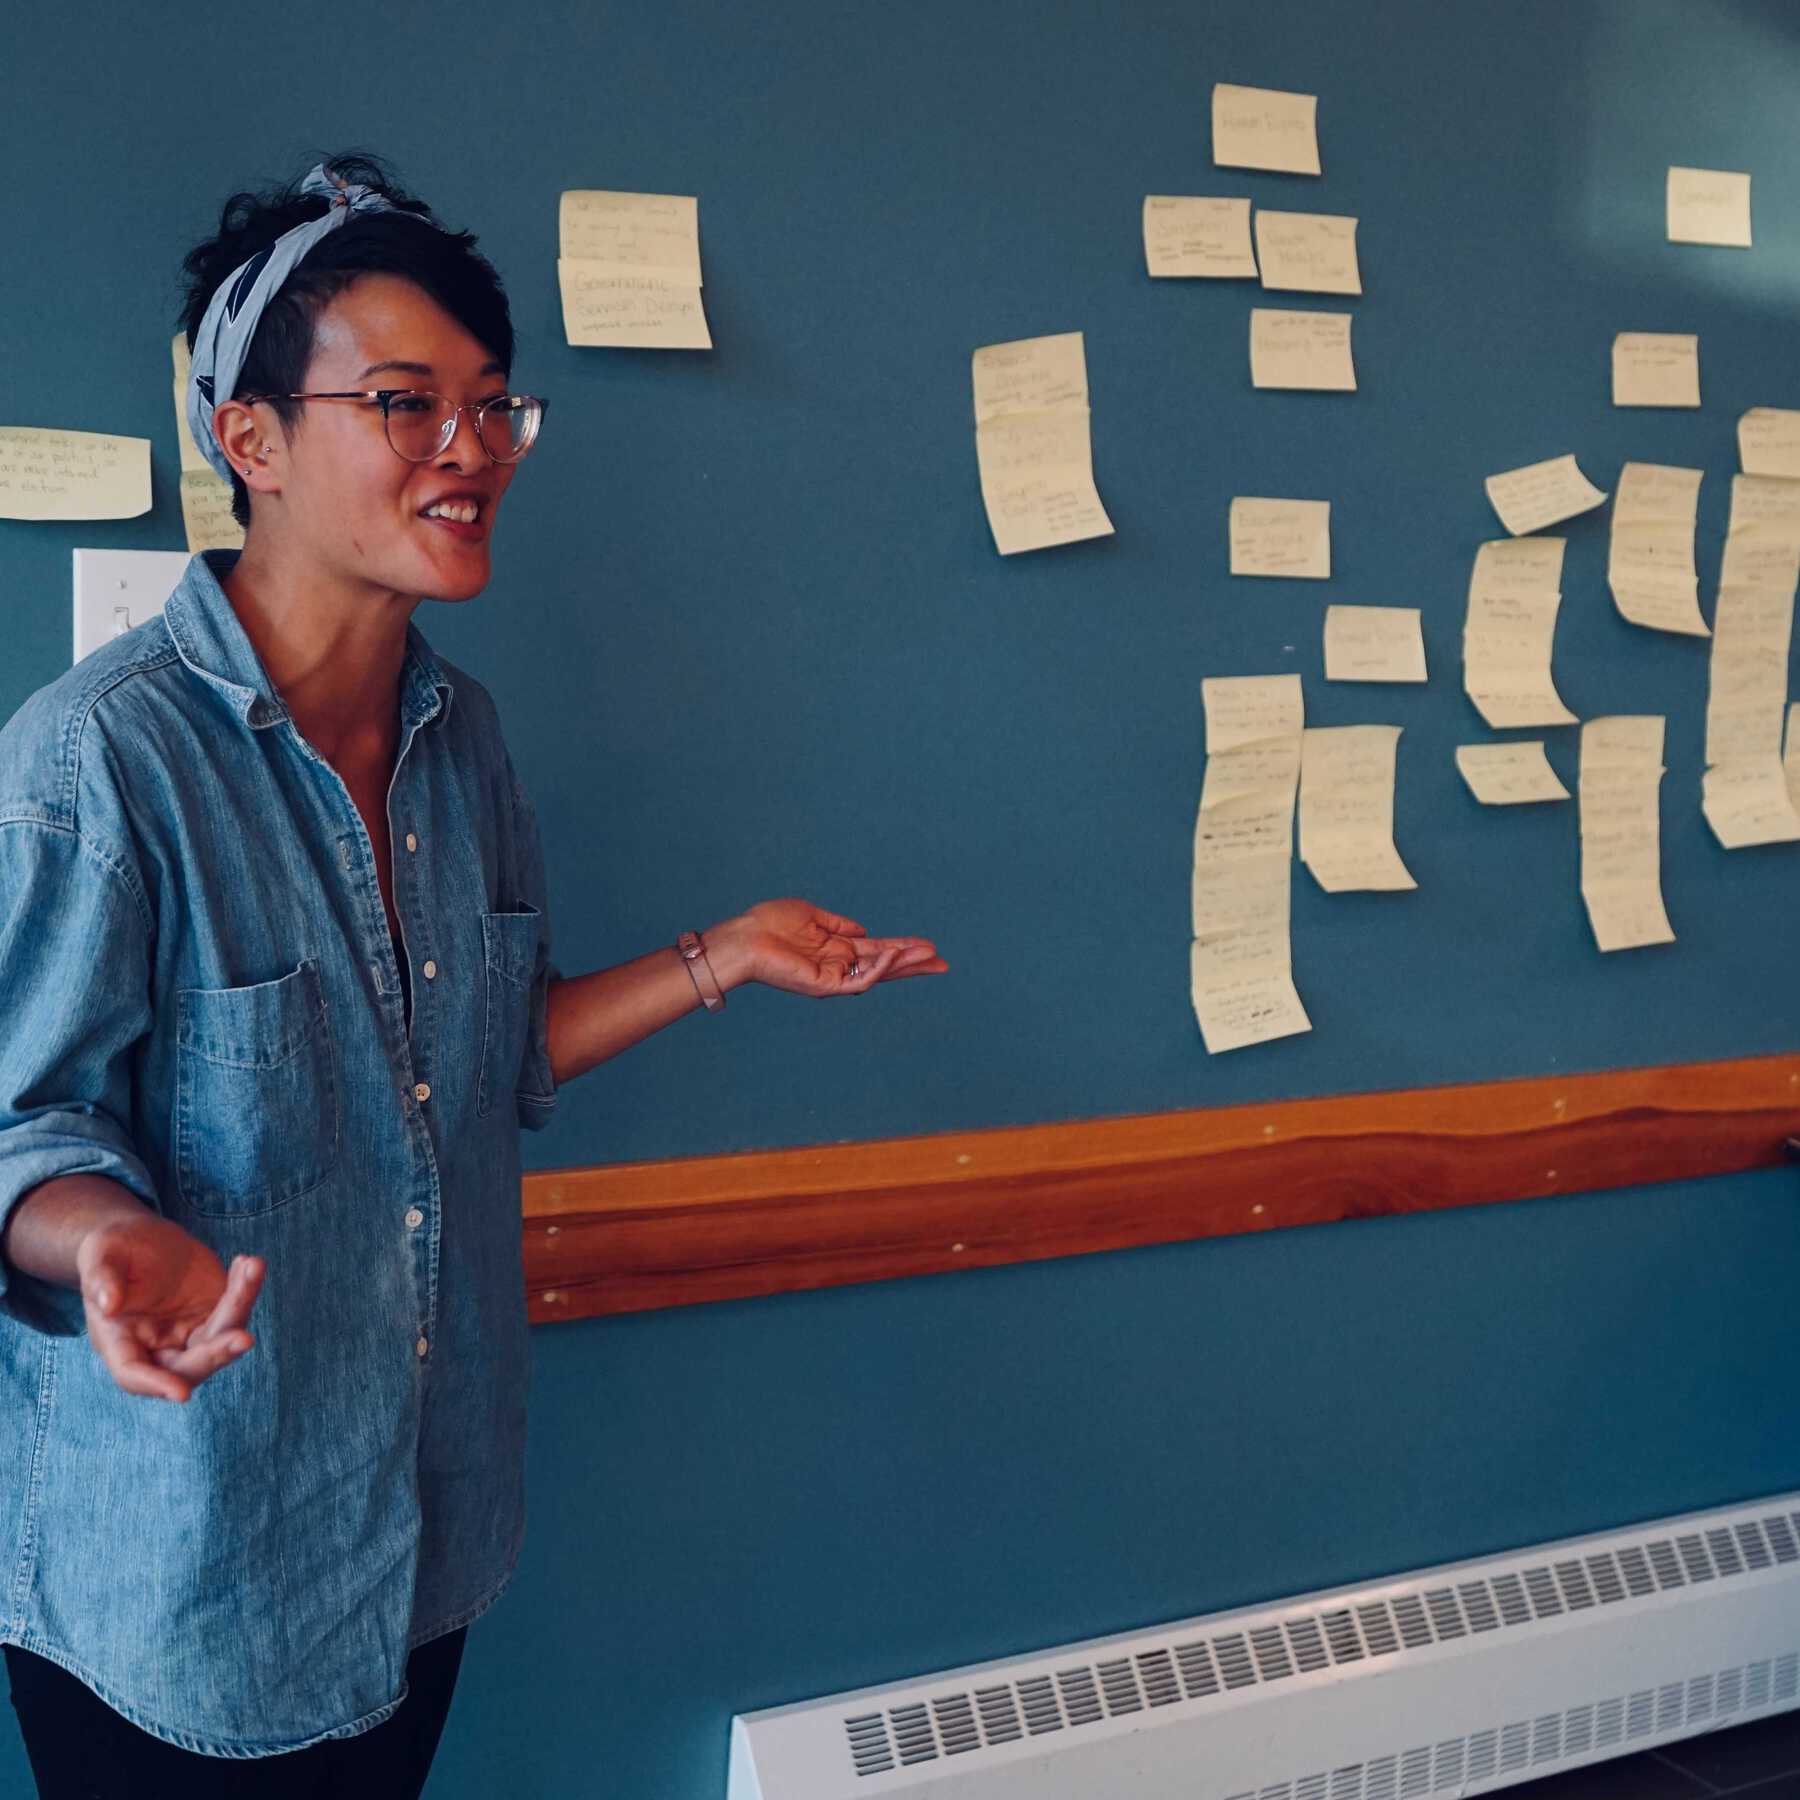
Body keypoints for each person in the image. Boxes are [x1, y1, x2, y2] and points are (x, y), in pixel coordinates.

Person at [0, 152, 946, 1798]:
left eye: (495, 406)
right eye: (406, 401)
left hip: (426, 1531)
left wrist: (725, 955)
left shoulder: (466, 742)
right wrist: (115, 1237)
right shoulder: (102, 759)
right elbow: (24, 1131)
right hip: (186, 1571)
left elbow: (486, 1060)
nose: (471, 449)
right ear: (253, 442)